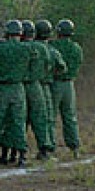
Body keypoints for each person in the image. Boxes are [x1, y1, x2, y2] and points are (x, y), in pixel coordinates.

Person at [0, 19, 35, 168]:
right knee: (18, 122)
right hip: (18, 89)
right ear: (20, 34)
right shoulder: (27, 48)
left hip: (2, 89)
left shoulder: (0, 48)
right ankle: (22, 155)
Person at [50, 19, 83, 158]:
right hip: (69, 85)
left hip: (55, 84)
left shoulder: (53, 46)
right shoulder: (76, 48)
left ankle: (49, 147)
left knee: (51, 117)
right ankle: (74, 147)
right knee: (70, 116)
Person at [20, 20, 53, 160]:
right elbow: (49, 66)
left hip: (20, 86)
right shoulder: (42, 48)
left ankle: (18, 151)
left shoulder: (19, 48)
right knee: (40, 118)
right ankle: (44, 148)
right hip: (36, 86)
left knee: (19, 119)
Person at [34, 19, 67, 156]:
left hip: (28, 86)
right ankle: (47, 147)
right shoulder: (52, 51)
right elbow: (62, 68)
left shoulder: (31, 47)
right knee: (46, 117)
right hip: (45, 86)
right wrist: (50, 73)